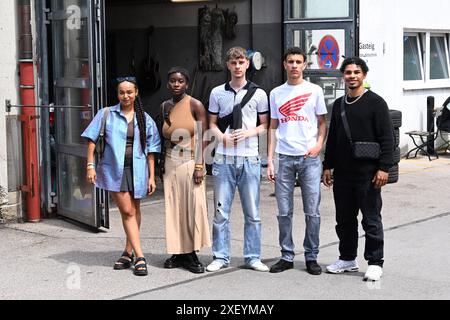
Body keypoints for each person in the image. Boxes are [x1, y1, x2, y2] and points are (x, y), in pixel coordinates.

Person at [322, 57, 394, 281]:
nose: (352, 76)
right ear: (343, 76)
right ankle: (347, 258)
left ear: (364, 75)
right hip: (343, 174)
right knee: (344, 219)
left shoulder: (376, 103)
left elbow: (387, 139)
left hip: (369, 175)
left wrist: (384, 168)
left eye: (356, 72)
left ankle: (375, 262)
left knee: (371, 219)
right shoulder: (339, 105)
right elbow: (333, 138)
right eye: (348, 72)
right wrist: (327, 165)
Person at [82, 77, 161, 276]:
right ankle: (140, 256)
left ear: (136, 94)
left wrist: (152, 176)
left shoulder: (144, 118)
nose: (125, 96)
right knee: (127, 211)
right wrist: (90, 165)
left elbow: (151, 149)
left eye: (129, 92)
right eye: (121, 92)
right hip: (114, 169)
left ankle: (128, 252)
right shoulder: (106, 114)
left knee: (135, 209)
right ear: (117, 94)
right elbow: (91, 141)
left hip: (138, 169)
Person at [207, 46, 270, 272]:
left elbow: (265, 125)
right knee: (220, 212)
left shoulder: (259, 93)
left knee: (252, 212)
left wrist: (248, 133)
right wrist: (221, 137)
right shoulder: (217, 92)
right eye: (233, 63)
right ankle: (220, 256)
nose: (237, 66)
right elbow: (211, 123)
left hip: (249, 158)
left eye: (241, 62)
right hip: (224, 159)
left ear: (247, 64)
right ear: (228, 65)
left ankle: (253, 257)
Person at [267, 47, 328, 275]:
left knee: (312, 211)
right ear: (284, 64)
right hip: (284, 157)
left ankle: (311, 256)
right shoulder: (276, 93)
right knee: (284, 211)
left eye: (298, 61)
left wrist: (318, 145)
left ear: (304, 65)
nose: (294, 65)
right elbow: (273, 126)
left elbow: (322, 123)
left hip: (309, 159)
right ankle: (287, 255)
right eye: (290, 61)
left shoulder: (314, 91)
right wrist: (270, 160)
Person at [160, 67, 211, 274]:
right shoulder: (164, 106)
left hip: (191, 161)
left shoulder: (195, 104)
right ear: (168, 83)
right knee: (174, 207)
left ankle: (191, 254)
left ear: (186, 84)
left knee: (193, 207)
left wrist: (200, 166)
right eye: (172, 81)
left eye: (180, 81)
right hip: (171, 162)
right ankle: (177, 252)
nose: (176, 84)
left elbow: (205, 136)